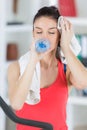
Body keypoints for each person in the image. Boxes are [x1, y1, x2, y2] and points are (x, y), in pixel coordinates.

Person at [7, 6, 87, 130]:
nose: (44, 37)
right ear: (33, 33)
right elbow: (16, 104)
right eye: (39, 32)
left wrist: (65, 47)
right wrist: (33, 60)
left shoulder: (66, 69)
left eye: (51, 32)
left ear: (59, 36)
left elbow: (83, 82)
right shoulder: (16, 68)